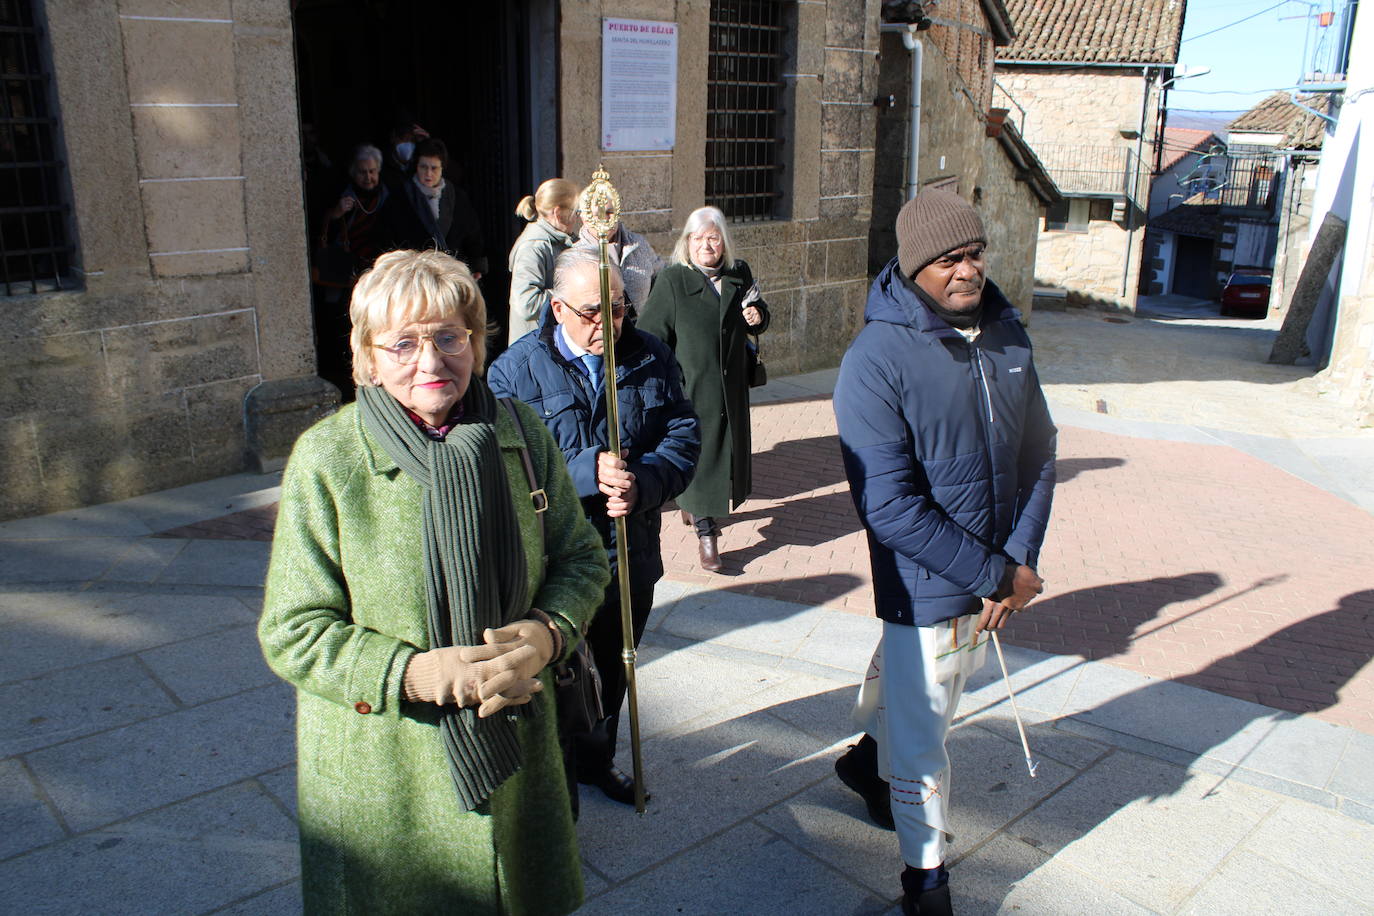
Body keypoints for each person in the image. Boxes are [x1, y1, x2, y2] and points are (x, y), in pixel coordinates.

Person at [259, 249, 610, 915]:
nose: (430, 361)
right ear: (366, 356)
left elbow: (582, 559)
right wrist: (412, 675)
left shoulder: (522, 435)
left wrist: (543, 635)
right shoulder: (328, 459)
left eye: (449, 336)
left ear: (476, 341)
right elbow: (294, 631)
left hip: (517, 750)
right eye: (403, 344)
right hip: (389, 778)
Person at [831, 190, 1057, 916]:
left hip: (995, 573)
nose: (967, 271)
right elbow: (889, 505)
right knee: (928, 740)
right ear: (913, 265)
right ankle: (925, 883)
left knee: (925, 695)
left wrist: (1016, 560)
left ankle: (867, 761)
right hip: (927, 578)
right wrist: (998, 573)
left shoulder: (1008, 335)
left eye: (975, 254)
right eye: (947, 259)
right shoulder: (875, 359)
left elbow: (1041, 452)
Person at [488, 248, 700, 808]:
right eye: (591, 312)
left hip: (630, 551)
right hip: (557, 561)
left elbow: (682, 435)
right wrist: (584, 471)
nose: (609, 323)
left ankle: (597, 759)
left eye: (620, 308)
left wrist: (646, 481)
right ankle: (554, 783)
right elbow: (505, 465)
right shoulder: (514, 370)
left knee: (614, 665)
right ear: (557, 309)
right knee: (559, 674)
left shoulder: (650, 356)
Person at [638, 206, 768, 572]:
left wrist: (757, 316)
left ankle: (693, 506)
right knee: (702, 455)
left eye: (712, 238)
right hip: (692, 388)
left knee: (725, 456)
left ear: (723, 242)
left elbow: (757, 310)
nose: (705, 246)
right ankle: (707, 534)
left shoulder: (738, 274)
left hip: (732, 387)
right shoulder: (674, 281)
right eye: (697, 239)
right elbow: (651, 336)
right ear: (687, 243)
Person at [389, 137, 489, 279]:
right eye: (423, 167)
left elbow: (472, 234)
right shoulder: (400, 198)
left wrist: (476, 266)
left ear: (442, 168)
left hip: (451, 275)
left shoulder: (457, 197)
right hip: (414, 276)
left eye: (434, 168)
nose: (429, 174)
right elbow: (389, 239)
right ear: (416, 166)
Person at [508, 178, 580, 344]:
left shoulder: (560, 240)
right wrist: (573, 296)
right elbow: (528, 303)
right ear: (558, 213)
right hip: (535, 347)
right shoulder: (534, 247)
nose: (577, 218)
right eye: (575, 211)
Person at [571, 212, 664, 315]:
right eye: (598, 214)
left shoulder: (639, 244)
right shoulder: (576, 255)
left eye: (610, 212)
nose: (606, 218)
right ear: (584, 218)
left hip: (637, 327)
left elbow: (662, 278)